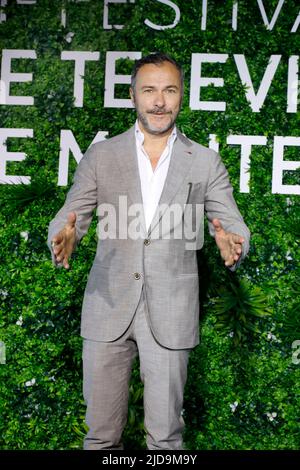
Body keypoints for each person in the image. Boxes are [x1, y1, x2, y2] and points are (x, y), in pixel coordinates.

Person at [47, 52, 250, 450]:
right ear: (133, 96)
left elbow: (232, 221)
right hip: (107, 310)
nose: (160, 101)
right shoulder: (102, 155)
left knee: (166, 440)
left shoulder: (205, 162)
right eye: (150, 90)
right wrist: (63, 237)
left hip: (171, 312)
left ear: (181, 96)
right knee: (101, 438)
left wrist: (235, 241)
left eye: (169, 90)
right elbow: (70, 215)